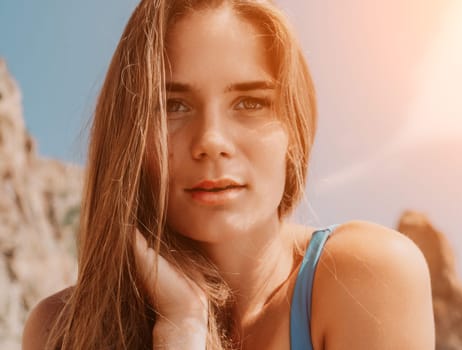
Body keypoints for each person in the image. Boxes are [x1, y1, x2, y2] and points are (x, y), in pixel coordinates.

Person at [22, 0, 435, 349]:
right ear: (128, 136)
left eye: (250, 103)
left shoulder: (367, 276)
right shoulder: (59, 330)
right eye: (174, 105)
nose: (211, 140)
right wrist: (180, 327)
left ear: (294, 129)